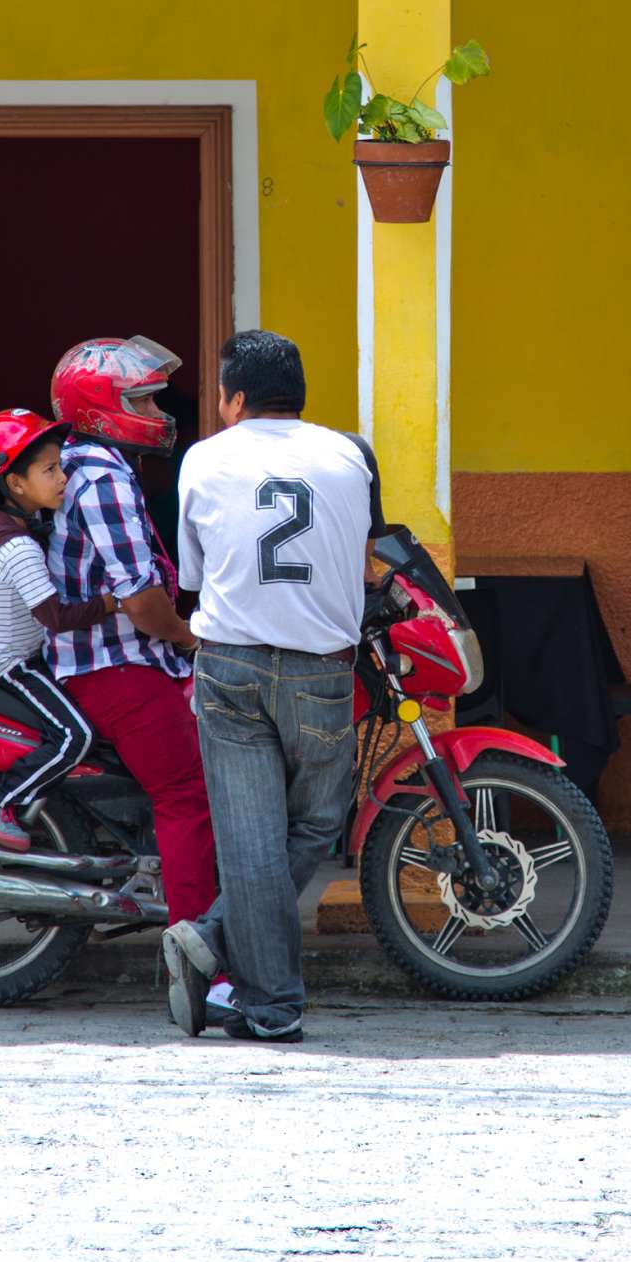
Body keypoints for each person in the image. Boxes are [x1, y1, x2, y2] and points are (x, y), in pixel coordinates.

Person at [161, 329, 374, 1044]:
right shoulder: (350, 454)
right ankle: (234, 963)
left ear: (235, 398)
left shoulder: (203, 460)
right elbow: (361, 551)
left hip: (230, 663)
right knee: (317, 822)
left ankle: (254, 981)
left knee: (249, 842)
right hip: (322, 669)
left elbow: (190, 580)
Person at [44, 336, 221, 937]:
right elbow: (144, 604)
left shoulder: (82, 464)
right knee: (187, 794)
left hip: (109, 660)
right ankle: (196, 944)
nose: (157, 416)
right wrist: (188, 636)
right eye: (143, 403)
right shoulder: (103, 478)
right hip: (116, 665)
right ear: (101, 410)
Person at [0, 409, 116, 852]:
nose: (62, 478)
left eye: (60, 466)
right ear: (15, 484)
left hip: (22, 654)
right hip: (12, 665)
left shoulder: (3, 528)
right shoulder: (18, 547)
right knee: (75, 736)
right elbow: (57, 619)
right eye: (49, 470)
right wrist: (112, 602)